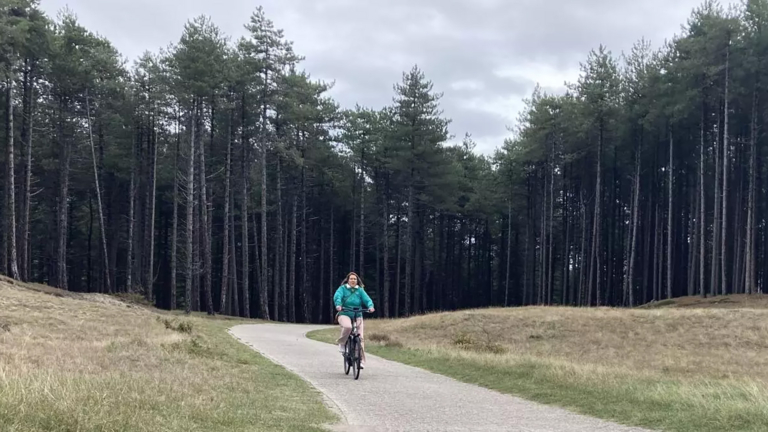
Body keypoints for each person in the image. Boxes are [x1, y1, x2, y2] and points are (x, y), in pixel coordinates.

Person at [333, 271, 374, 368]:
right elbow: (337, 296)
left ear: (357, 281)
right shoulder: (342, 288)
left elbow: (367, 299)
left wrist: (370, 306)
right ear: (348, 280)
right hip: (344, 313)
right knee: (348, 327)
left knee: (360, 338)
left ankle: (360, 361)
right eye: (351, 279)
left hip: (357, 314)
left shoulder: (360, 290)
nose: (353, 280)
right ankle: (342, 343)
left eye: (355, 279)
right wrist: (338, 305)